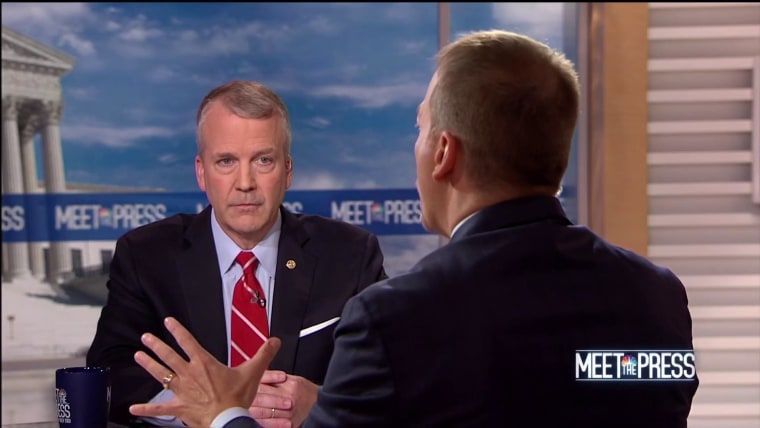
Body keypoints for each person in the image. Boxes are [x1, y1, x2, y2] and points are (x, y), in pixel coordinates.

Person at [127, 29, 699, 427]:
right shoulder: (657, 297)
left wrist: (222, 416)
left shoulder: (397, 318)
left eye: (421, 129)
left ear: (444, 153)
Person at [86, 80, 387, 426]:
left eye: (263, 160)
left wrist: (322, 402)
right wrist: (193, 405)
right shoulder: (146, 256)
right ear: (202, 172)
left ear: (287, 171)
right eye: (226, 161)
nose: (245, 183)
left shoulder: (350, 255)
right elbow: (110, 371)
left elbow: (393, 375)